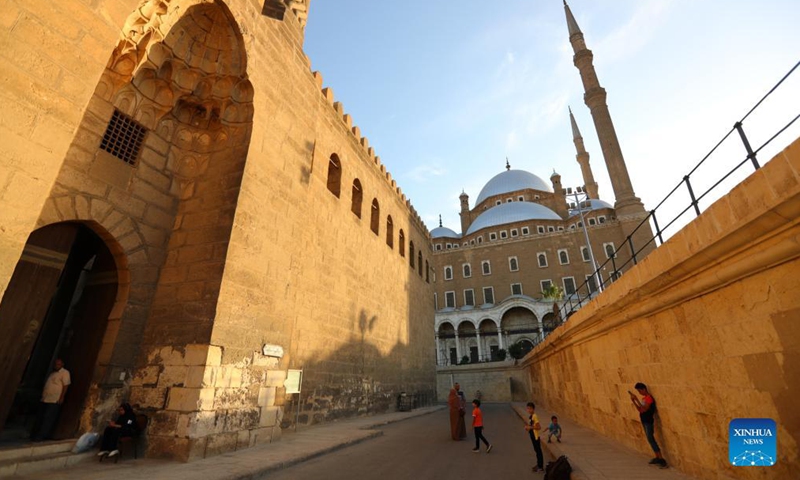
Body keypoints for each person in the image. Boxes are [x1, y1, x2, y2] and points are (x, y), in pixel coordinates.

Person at [30, 358, 70, 441]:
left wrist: (62, 397)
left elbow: (66, 385)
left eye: (58, 364)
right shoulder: (52, 373)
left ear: (62, 364)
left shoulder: (64, 373)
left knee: (49, 418)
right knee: (41, 417)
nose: (56, 365)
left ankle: (42, 435)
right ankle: (35, 433)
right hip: (45, 398)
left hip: (54, 399)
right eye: (55, 364)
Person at [630, 382, 667, 468]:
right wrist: (634, 401)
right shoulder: (644, 399)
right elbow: (640, 409)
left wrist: (637, 400)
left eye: (640, 391)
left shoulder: (649, 398)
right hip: (644, 420)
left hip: (648, 421)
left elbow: (645, 409)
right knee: (649, 439)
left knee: (651, 438)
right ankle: (657, 456)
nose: (639, 393)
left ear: (644, 389)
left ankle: (661, 458)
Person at [524, 402, 544, 472]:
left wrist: (530, 427)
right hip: (532, 436)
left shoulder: (535, 416)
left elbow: (538, 427)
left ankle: (540, 466)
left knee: (538, 451)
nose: (529, 410)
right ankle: (538, 464)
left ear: (533, 409)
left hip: (535, 436)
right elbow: (532, 425)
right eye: (528, 409)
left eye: (530, 409)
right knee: (536, 451)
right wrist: (527, 427)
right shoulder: (531, 416)